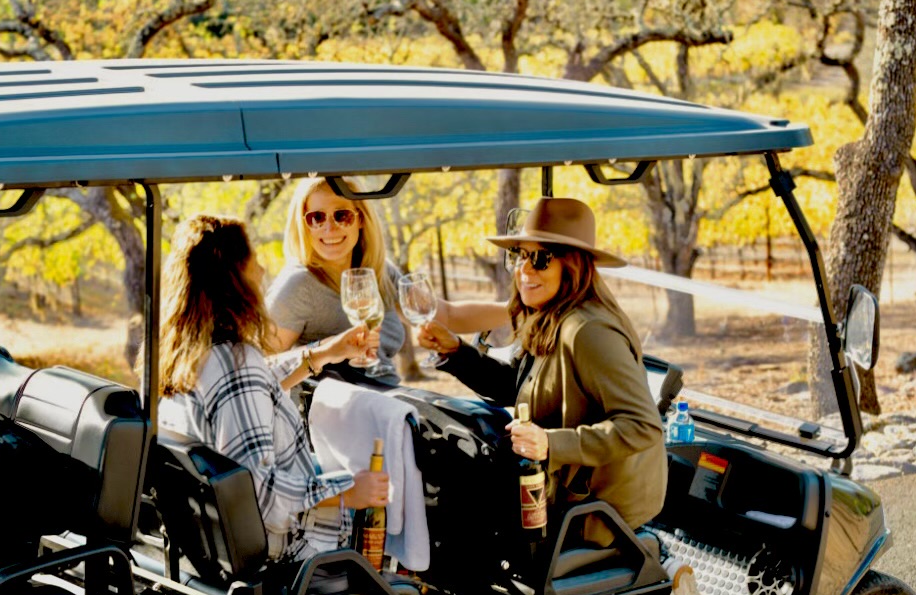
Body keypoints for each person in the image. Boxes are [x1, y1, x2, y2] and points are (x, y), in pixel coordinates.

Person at [418, 197, 668, 539]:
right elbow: (518, 387)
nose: (525, 269)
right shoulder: (551, 316)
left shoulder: (588, 331)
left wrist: (550, 444)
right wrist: (456, 352)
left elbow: (643, 426)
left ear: (572, 265)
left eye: (541, 258)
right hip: (552, 483)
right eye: (521, 255)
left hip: (593, 511)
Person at [157, 214, 389, 564]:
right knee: (392, 503)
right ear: (234, 275)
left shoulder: (189, 354)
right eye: (254, 261)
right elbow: (258, 493)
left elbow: (251, 386)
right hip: (287, 556)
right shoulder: (237, 364)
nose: (263, 271)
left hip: (207, 544)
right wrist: (349, 490)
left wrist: (324, 353)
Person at [266, 177, 405, 384]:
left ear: (360, 219)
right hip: (333, 411)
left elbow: (441, 314)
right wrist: (326, 348)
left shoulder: (378, 271)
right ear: (304, 225)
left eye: (342, 216)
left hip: (392, 403)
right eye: (316, 218)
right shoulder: (297, 284)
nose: (329, 228)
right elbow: (261, 365)